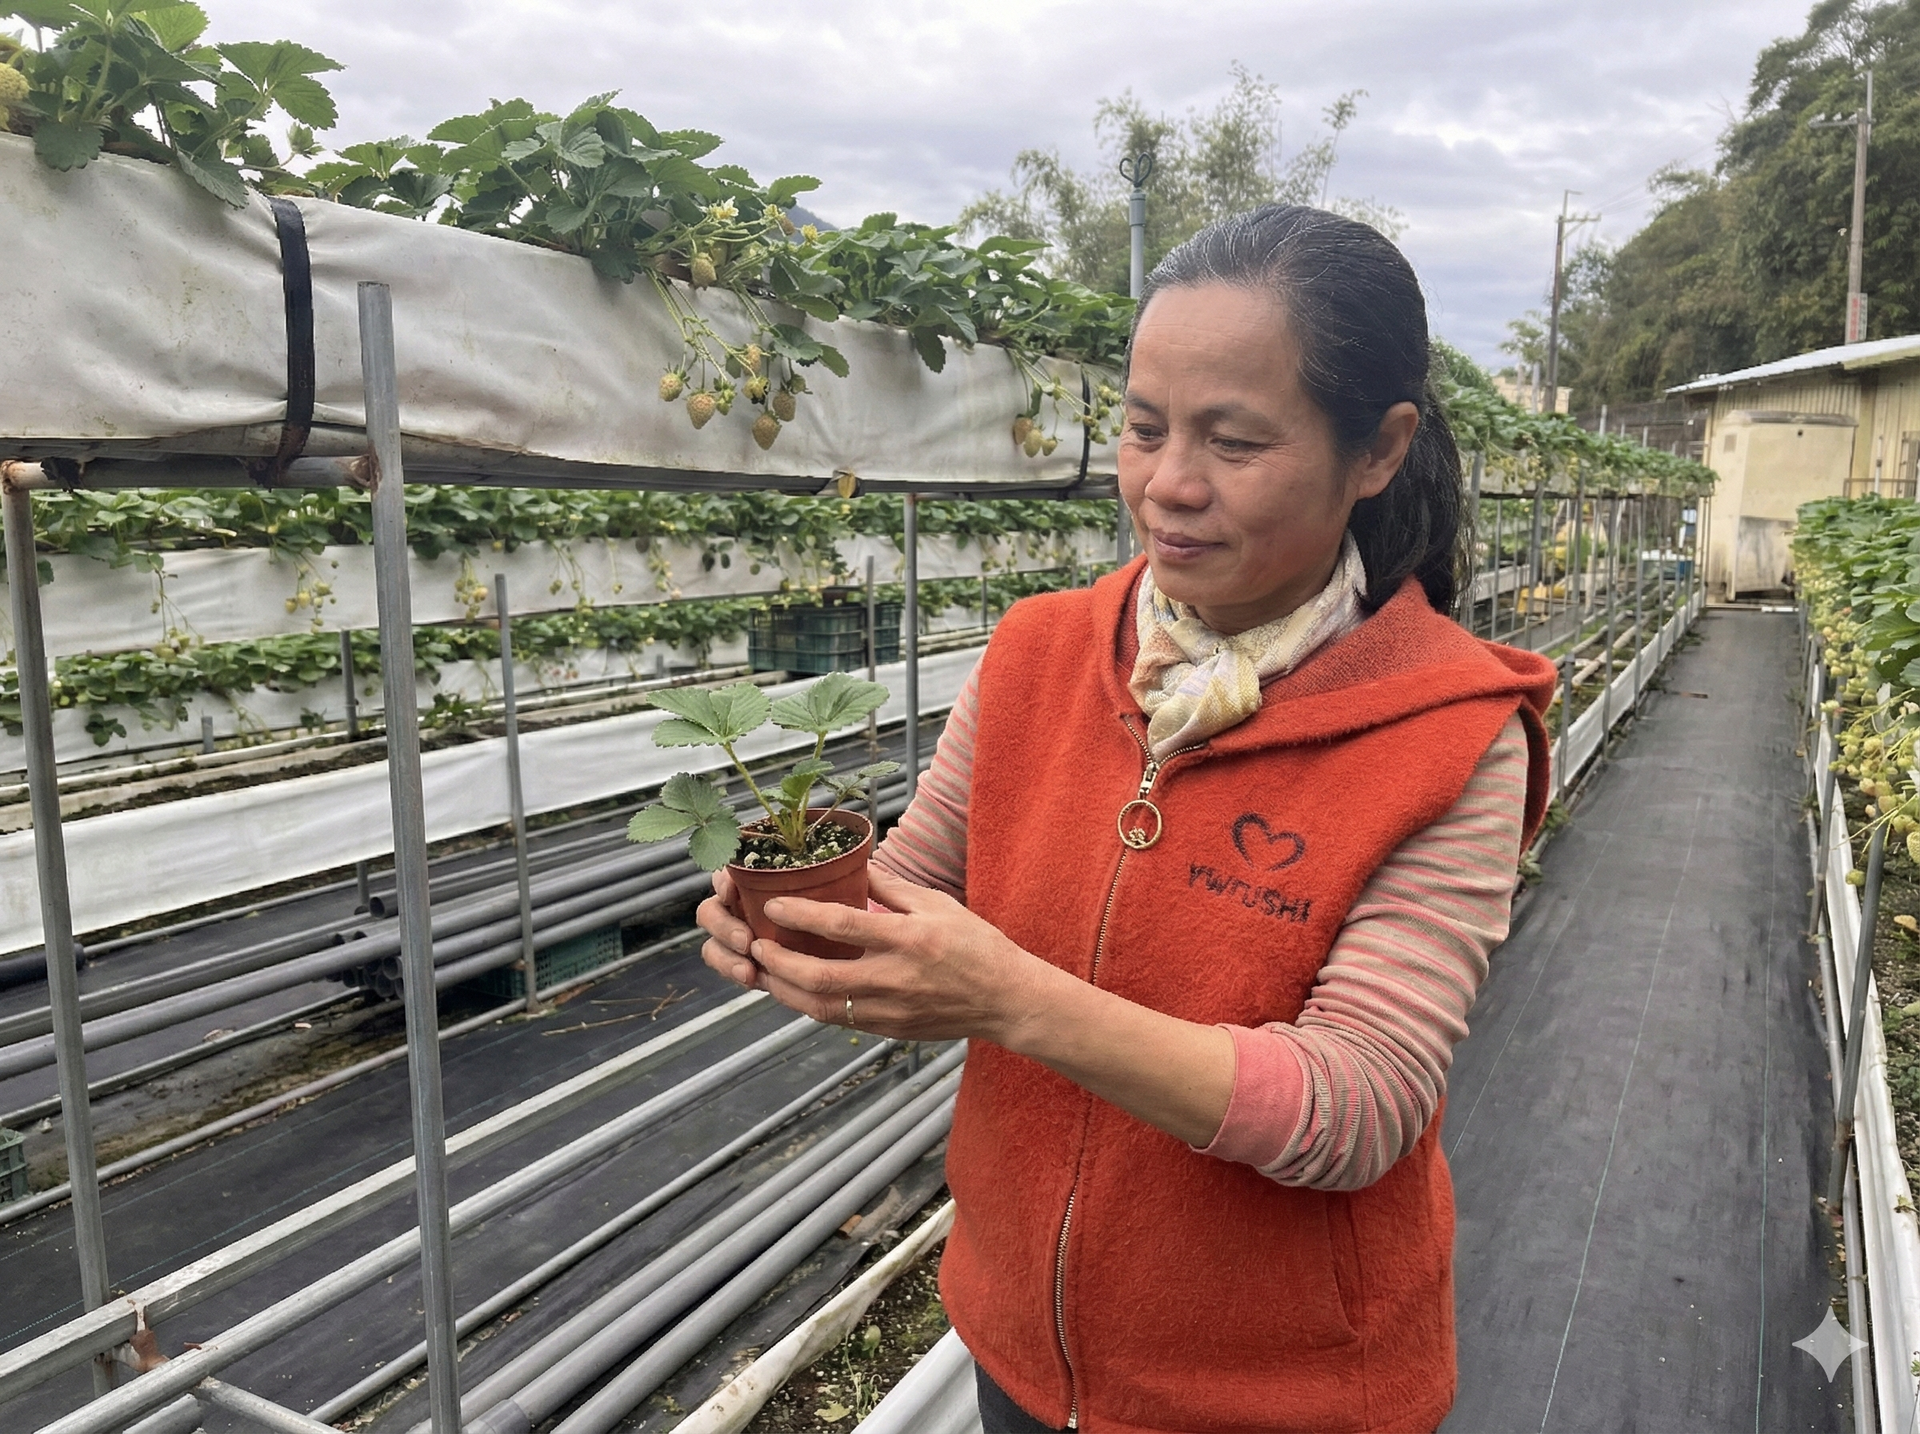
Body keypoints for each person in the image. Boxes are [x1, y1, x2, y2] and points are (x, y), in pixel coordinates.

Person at [697, 204, 1557, 1434]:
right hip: (1016, 1349)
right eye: (1144, 429)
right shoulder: (1041, 650)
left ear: (1379, 449)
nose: (1169, 486)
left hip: (1283, 1400)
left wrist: (1010, 999)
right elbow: (920, 884)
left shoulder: (1450, 731)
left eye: (1236, 440)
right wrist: (797, 928)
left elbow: (1359, 1104)